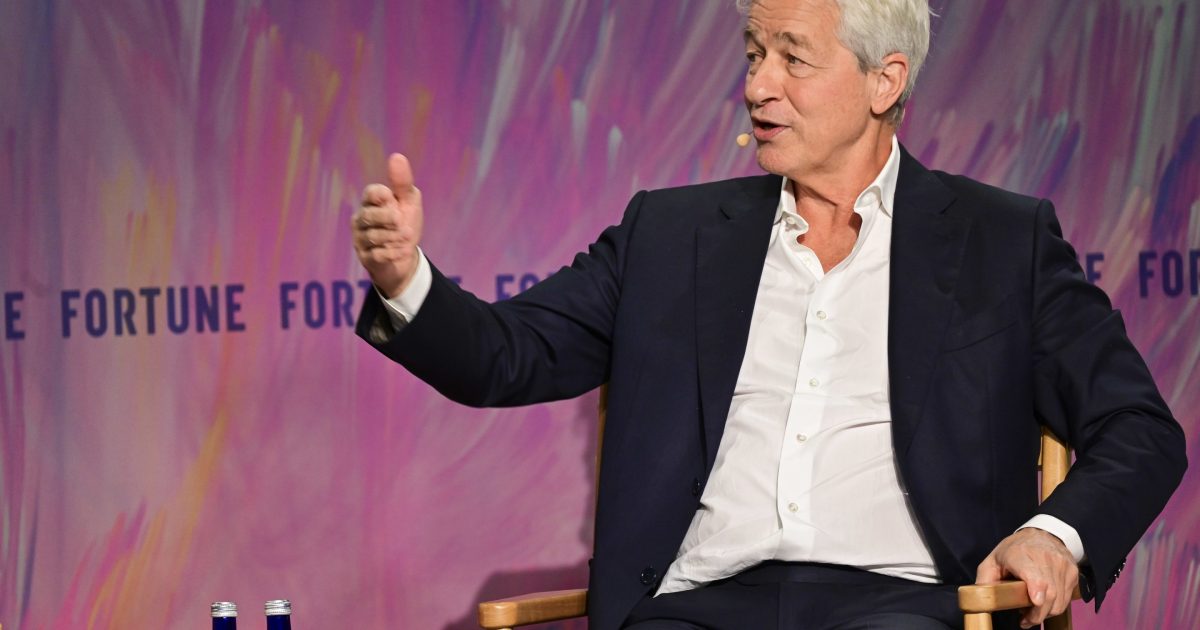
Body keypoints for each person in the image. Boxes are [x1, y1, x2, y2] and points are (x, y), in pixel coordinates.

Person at [350, 1, 1187, 628]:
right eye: (754, 54)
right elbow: (506, 355)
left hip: (904, 606)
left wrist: (1055, 535)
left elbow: (1141, 429)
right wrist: (405, 279)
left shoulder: (1002, 242)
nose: (757, 86)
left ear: (885, 80)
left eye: (793, 57)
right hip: (695, 606)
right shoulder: (669, 236)